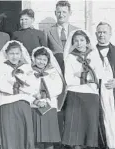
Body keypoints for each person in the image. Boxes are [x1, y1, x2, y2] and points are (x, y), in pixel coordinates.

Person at [62, 29, 104, 149]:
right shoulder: (70, 58)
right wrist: (86, 77)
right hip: (75, 95)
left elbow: (99, 75)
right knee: (76, 129)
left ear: (87, 41)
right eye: (76, 41)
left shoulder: (94, 55)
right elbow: (69, 79)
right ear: (73, 43)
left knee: (90, 128)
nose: (79, 43)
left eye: (82, 40)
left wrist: (80, 75)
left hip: (91, 95)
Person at [0, 40, 37, 149]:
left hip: (22, 105)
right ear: (6, 54)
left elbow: (32, 86)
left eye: (17, 53)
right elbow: (0, 84)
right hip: (6, 105)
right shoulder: (0, 67)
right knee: (10, 140)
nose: (14, 56)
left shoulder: (26, 67)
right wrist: (19, 85)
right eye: (11, 53)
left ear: (21, 54)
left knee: (22, 139)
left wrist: (13, 83)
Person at [44, 0, 78, 140]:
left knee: (71, 105)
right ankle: (57, 138)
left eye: (64, 12)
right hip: (56, 74)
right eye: (59, 12)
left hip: (72, 74)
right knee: (57, 103)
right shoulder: (48, 31)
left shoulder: (76, 30)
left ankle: (70, 139)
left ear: (70, 13)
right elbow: (45, 52)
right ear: (55, 13)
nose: (61, 14)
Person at [30, 47, 64, 149]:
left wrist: (46, 97)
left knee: (49, 139)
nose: (41, 62)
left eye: (44, 59)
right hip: (35, 106)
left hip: (49, 106)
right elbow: (26, 87)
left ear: (48, 60)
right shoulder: (29, 71)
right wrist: (36, 98)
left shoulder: (53, 72)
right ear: (34, 58)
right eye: (39, 59)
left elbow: (58, 87)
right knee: (37, 139)